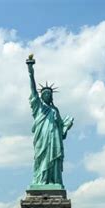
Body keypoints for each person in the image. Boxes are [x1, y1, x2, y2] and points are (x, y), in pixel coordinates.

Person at [26, 54, 74, 187]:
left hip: (54, 139)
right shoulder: (38, 107)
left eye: (49, 94)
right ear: (41, 96)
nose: (47, 95)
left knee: (54, 159)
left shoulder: (55, 110)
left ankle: (53, 181)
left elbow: (61, 131)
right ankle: (41, 181)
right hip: (42, 139)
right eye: (44, 93)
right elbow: (33, 89)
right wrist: (30, 71)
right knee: (41, 159)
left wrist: (66, 126)